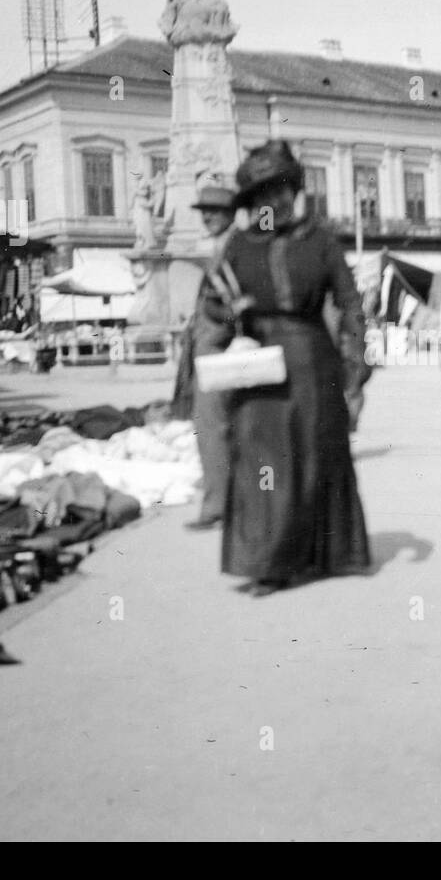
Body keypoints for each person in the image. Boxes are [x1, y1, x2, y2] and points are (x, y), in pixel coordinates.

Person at [203, 141, 370, 595]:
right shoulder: (237, 245)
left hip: (313, 360)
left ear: (294, 193)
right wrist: (227, 309)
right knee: (263, 460)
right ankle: (268, 562)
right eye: (262, 196)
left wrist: (356, 361)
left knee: (316, 454)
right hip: (256, 363)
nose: (273, 203)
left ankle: (327, 553)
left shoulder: (321, 241)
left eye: (281, 192)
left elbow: (350, 302)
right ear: (251, 204)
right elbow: (211, 304)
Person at [172, 182, 239, 530]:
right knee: (214, 429)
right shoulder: (222, 247)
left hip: (220, 350)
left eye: (215, 211)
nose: (208, 217)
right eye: (204, 211)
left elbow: (238, 305)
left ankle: (218, 507)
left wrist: (214, 316)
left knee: (212, 429)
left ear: (231, 213)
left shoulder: (234, 248)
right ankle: (224, 503)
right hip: (210, 347)